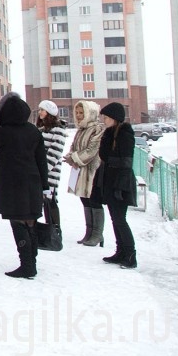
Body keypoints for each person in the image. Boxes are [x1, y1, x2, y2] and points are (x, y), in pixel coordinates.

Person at [0, 92, 49, 279]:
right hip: (32, 182)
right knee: (31, 222)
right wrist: (45, 185)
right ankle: (31, 261)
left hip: (11, 184)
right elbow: (42, 160)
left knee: (18, 223)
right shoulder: (34, 131)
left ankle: (27, 266)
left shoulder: (3, 132)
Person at [97, 102, 138, 269]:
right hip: (111, 181)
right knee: (115, 219)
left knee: (120, 219)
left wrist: (119, 188)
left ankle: (130, 254)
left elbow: (126, 162)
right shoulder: (110, 133)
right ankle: (120, 251)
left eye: (106, 118)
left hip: (121, 183)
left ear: (114, 118)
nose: (104, 120)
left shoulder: (125, 134)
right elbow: (105, 156)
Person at [62, 101, 105, 246]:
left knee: (94, 200)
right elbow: (73, 147)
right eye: (77, 113)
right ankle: (89, 232)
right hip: (80, 170)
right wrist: (70, 156)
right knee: (84, 199)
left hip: (92, 171)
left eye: (82, 113)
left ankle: (97, 234)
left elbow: (92, 151)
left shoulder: (97, 129)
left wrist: (74, 158)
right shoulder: (81, 129)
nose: (79, 116)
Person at [35, 100, 67, 227]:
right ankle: (48, 227)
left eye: (42, 110)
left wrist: (44, 169)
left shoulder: (59, 129)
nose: (40, 113)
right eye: (39, 110)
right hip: (40, 169)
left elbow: (55, 152)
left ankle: (55, 228)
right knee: (43, 199)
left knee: (51, 199)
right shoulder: (41, 129)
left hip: (50, 170)